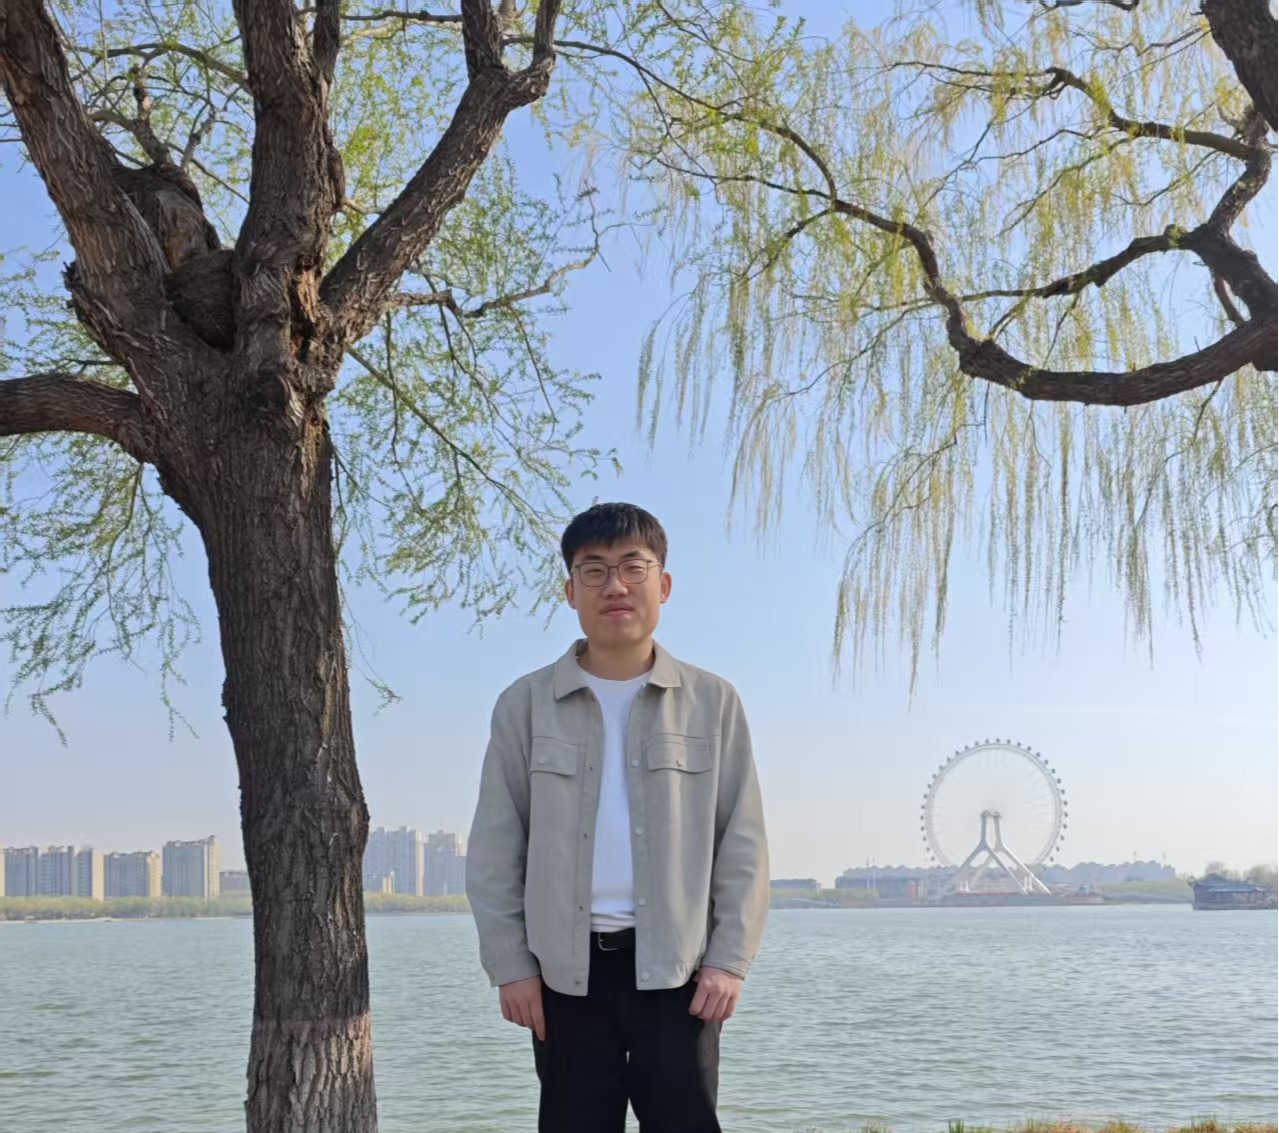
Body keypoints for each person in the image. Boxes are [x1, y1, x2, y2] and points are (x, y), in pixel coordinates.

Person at [466, 501, 769, 1133]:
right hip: (565, 979)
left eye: (634, 567)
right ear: (570, 590)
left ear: (663, 584)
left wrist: (728, 961)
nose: (616, 586)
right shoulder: (524, 705)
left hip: (681, 976)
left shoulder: (712, 703)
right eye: (594, 570)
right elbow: (495, 849)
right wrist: (512, 967)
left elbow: (742, 843)